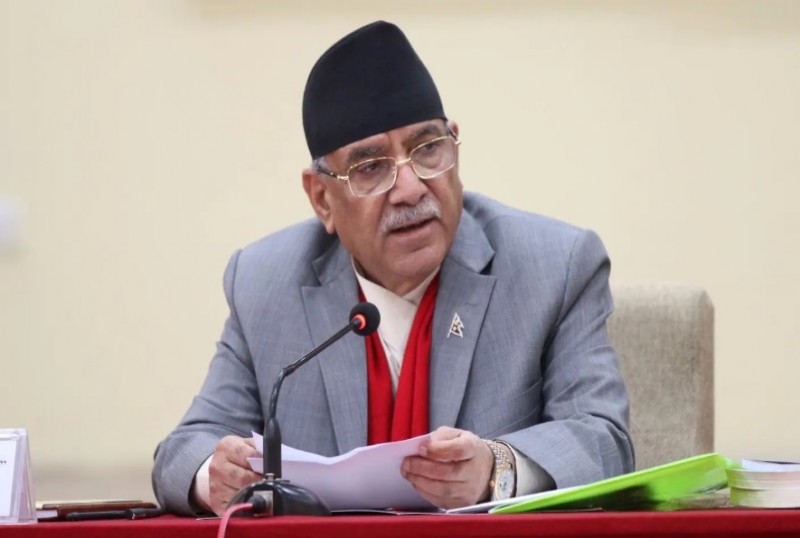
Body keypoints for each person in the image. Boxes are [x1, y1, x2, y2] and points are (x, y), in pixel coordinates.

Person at [152, 20, 634, 516]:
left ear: (454, 145)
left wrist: (498, 469)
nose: (410, 189)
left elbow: (604, 442)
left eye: (428, 150)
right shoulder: (264, 283)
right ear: (322, 199)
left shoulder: (554, 266)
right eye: (370, 168)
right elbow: (183, 449)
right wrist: (216, 475)